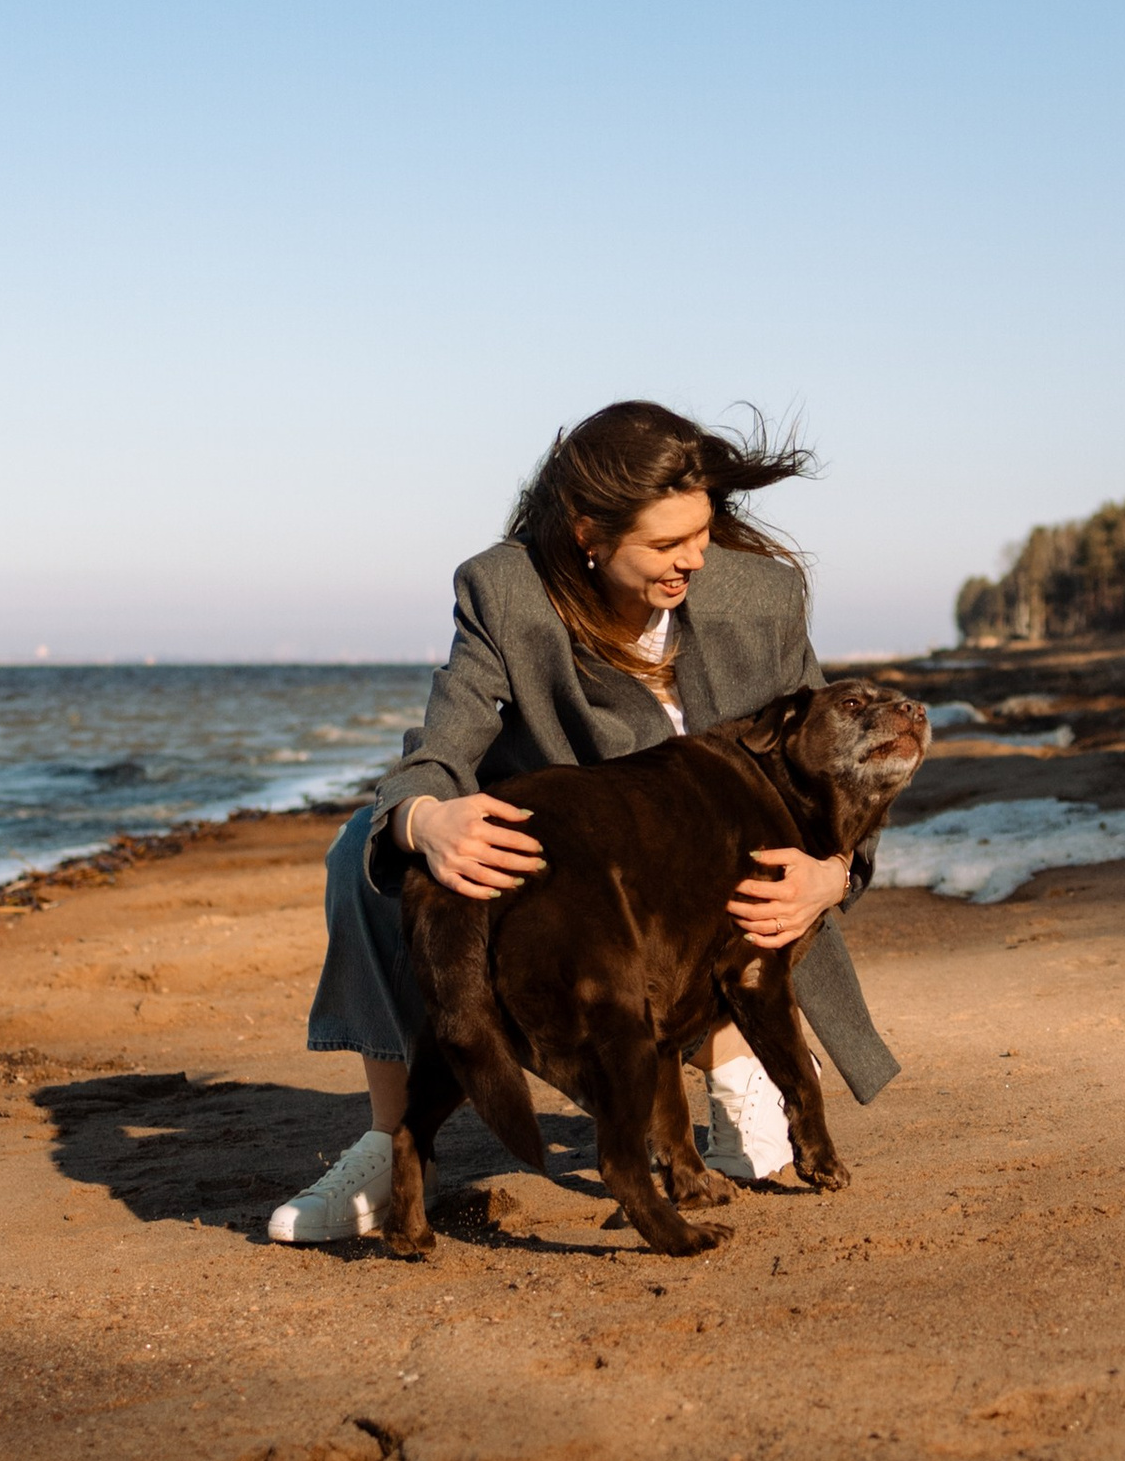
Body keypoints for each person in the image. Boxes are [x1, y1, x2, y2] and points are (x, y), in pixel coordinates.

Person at [269, 399, 899, 1245]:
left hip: (729, 912)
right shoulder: (505, 592)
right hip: (580, 871)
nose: (697, 559)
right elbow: (438, 749)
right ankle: (390, 1144)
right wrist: (424, 818)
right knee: (365, 848)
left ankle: (733, 1062)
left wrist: (835, 876)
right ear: (588, 533)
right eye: (667, 545)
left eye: (703, 532)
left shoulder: (762, 597)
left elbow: (838, 764)